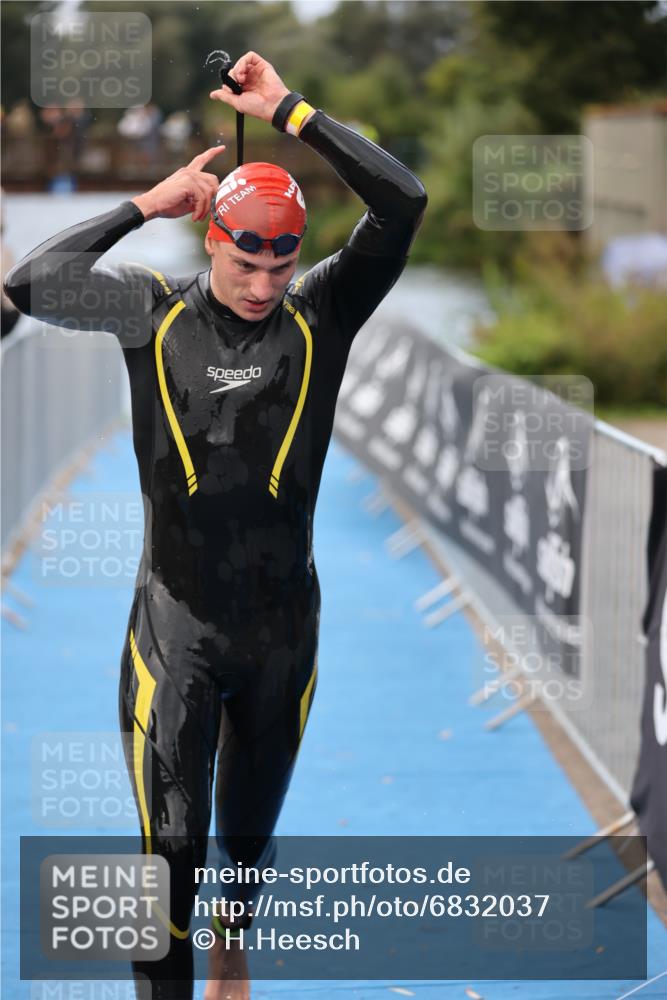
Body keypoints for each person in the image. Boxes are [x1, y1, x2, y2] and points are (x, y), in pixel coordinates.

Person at [4, 51, 426, 1000]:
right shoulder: (147, 316)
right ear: (212, 242)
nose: (265, 280)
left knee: (242, 840)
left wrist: (290, 112)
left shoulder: (323, 315)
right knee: (171, 861)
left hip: (283, 633)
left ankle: (234, 939)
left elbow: (403, 205)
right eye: (246, 258)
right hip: (175, 629)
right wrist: (144, 206)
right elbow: (30, 286)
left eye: (283, 260)